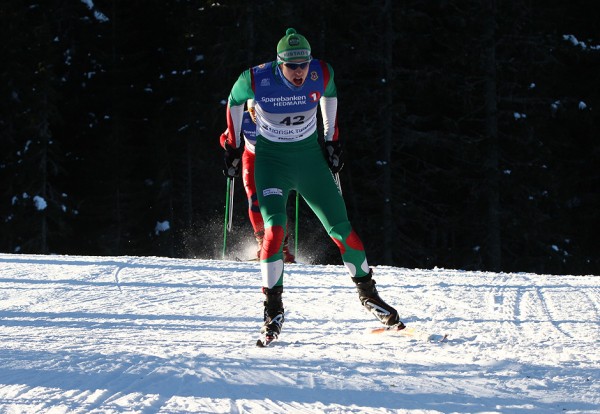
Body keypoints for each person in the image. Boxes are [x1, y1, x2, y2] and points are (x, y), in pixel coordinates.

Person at [222, 28, 404, 343]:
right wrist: (233, 144)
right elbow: (234, 101)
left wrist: (332, 140)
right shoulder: (256, 79)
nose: (299, 71)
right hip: (271, 164)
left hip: (309, 163)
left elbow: (330, 95)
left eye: (303, 64)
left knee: (343, 231)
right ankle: (273, 308)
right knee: (275, 228)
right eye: (292, 66)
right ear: (279, 64)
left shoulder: (321, 72)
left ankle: (368, 295)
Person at [220, 101, 296, 263]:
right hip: (251, 159)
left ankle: (282, 248)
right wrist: (230, 150)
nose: (256, 114)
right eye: (253, 110)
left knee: (276, 201)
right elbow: (225, 137)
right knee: (255, 200)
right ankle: (263, 243)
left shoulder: (277, 118)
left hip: (274, 161)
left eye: (260, 110)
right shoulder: (243, 119)